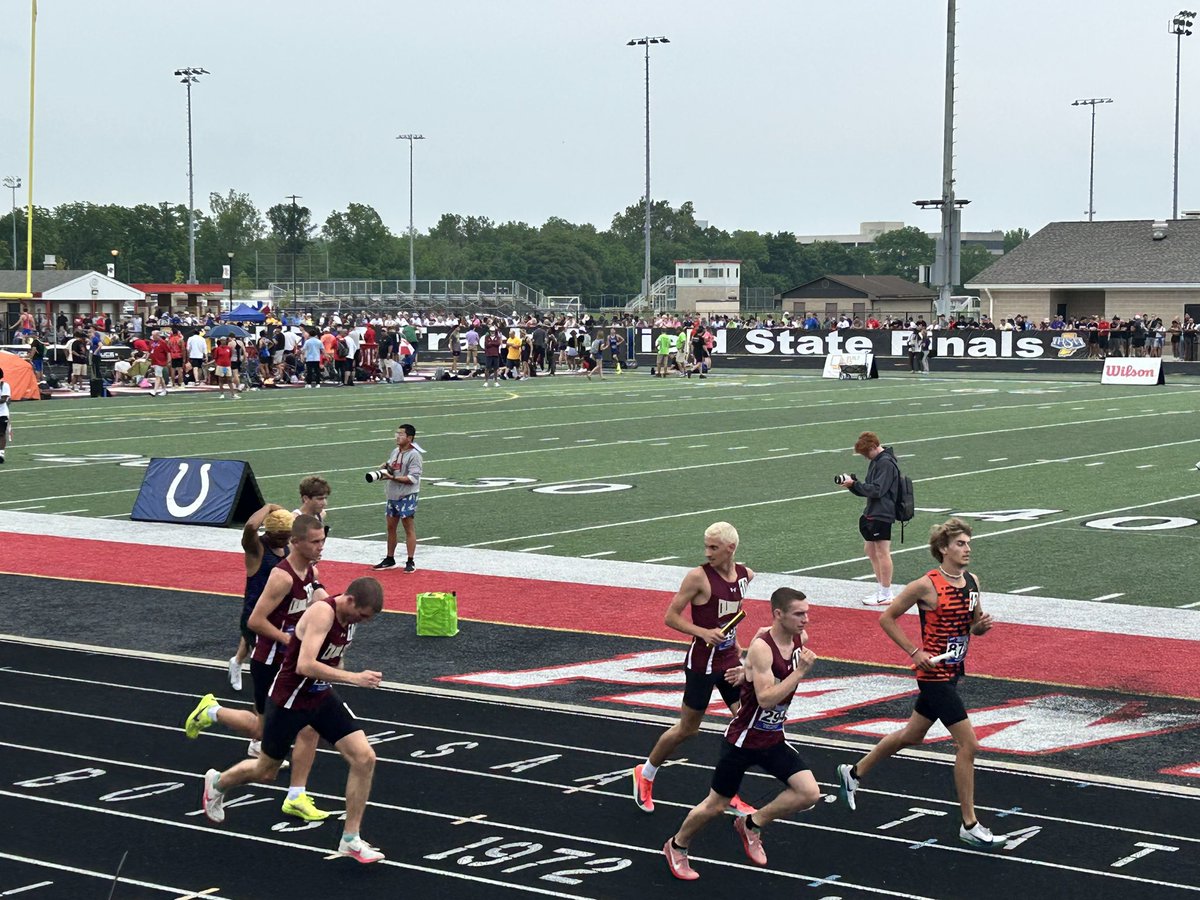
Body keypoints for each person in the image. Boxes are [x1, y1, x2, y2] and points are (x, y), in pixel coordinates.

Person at [836, 518, 1000, 848]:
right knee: (969, 745)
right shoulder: (925, 585)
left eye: (968, 543)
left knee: (912, 735)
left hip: (952, 672)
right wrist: (915, 651)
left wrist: (980, 627)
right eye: (960, 543)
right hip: (932, 677)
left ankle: (853, 773)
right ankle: (969, 824)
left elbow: (971, 627)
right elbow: (886, 617)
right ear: (943, 549)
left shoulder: (972, 582)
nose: (967, 549)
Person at [201, 575, 386, 863]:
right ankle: (218, 783)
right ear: (349, 600)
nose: (361, 622)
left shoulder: (349, 621)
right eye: (361, 615)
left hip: (321, 698)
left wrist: (340, 673)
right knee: (267, 770)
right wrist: (354, 678)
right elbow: (305, 664)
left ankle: (350, 839)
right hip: (289, 701)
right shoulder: (322, 614)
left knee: (365, 758)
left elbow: (334, 658)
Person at [664, 588, 819, 880]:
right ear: (779, 614)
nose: (806, 620)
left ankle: (752, 824)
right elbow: (765, 699)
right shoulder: (764, 647)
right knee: (716, 804)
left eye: (807, 612)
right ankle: (676, 845)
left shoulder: (799, 640)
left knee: (809, 792)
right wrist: (799, 673)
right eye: (799, 614)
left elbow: (758, 651)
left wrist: (745, 669)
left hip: (772, 738)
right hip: (743, 741)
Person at [186, 512, 331, 822]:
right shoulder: (281, 575)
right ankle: (212, 713)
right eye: (316, 541)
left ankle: (297, 795)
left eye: (323, 539)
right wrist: (288, 639)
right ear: (296, 542)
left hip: (292, 665)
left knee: (307, 726)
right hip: (270, 663)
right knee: (269, 732)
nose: (322, 546)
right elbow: (255, 621)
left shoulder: (311, 571)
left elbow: (314, 597)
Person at [633, 522, 757, 816]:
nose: (707, 552)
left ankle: (729, 794)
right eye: (706, 546)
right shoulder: (697, 577)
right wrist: (701, 632)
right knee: (688, 729)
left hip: (728, 661)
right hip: (701, 663)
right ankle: (646, 772)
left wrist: (735, 641)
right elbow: (670, 617)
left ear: (731, 548)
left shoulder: (745, 575)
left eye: (713, 547)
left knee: (745, 726)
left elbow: (732, 611)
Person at [838, 431, 900, 606]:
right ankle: (882, 590)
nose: (865, 457)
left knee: (882, 551)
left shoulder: (886, 463)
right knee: (871, 550)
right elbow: (870, 488)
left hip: (883, 511)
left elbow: (877, 490)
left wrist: (855, 484)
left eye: (866, 453)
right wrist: (853, 485)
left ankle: (886, 593)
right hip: (874, 510)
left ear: (874, 447)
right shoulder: (878, 461)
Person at [373, 423, 423, 573]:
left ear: (409, 438)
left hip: (407, 495)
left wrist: (392, 478)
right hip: (392, 494)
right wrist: (384, 469)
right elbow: (392, 468)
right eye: (397, 433)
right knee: (391, 527)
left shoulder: (414, 455)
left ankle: (410, 560)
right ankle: (390, 558)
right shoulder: (395, 451)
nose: (397, 436)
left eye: (401, 434)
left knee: (408, 527)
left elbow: (412, 478)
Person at [0, 367, 10, 464]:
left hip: (2, 413)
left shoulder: (4, 385)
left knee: (1, 433)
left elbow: (4, 399)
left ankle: (1, 453)